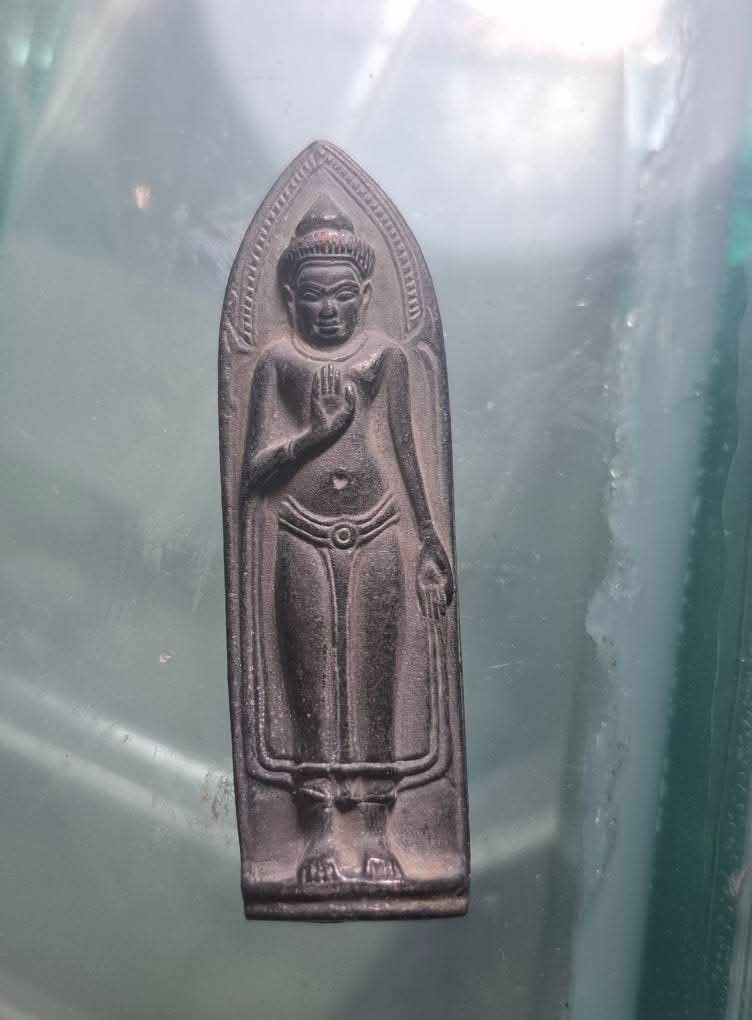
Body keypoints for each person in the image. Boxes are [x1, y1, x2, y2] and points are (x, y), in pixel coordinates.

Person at [242, 195, 453, 883]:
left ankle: (379, 832)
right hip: (301, 532)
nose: (328, 310)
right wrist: (314, 437)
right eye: (312, 296)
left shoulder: (385, 357)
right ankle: (317, 838)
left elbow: (406, 448)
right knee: (312, 682)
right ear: (290, 298)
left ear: (364, 293)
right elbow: (252, 474)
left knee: (374, 682)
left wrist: (429, 538)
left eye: (341, 295)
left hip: (379, 527)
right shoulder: (278, 363)